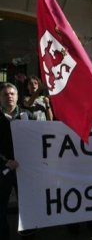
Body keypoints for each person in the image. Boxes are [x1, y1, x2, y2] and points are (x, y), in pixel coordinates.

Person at [0, 83, 35, 240]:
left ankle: (28, 234)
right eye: (5, 94)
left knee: (28, 205)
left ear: (17, 96)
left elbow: (42, 137)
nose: (9, 97)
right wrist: (4, 162)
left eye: (12, 94)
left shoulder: (28, 115)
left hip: (25, 170)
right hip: (3, 170)